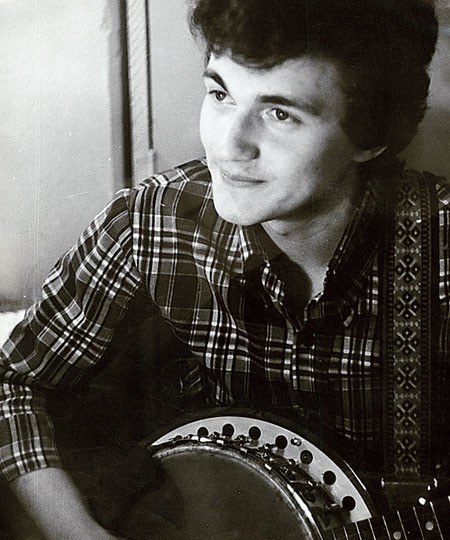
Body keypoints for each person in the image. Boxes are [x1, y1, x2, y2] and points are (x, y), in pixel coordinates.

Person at [0, 0, 448, 538]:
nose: (228, 145)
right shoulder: (154, 221)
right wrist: (77, 532)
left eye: (280, 114)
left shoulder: (440, 254)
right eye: (220, 95)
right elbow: (15, 382)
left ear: (372, 137)